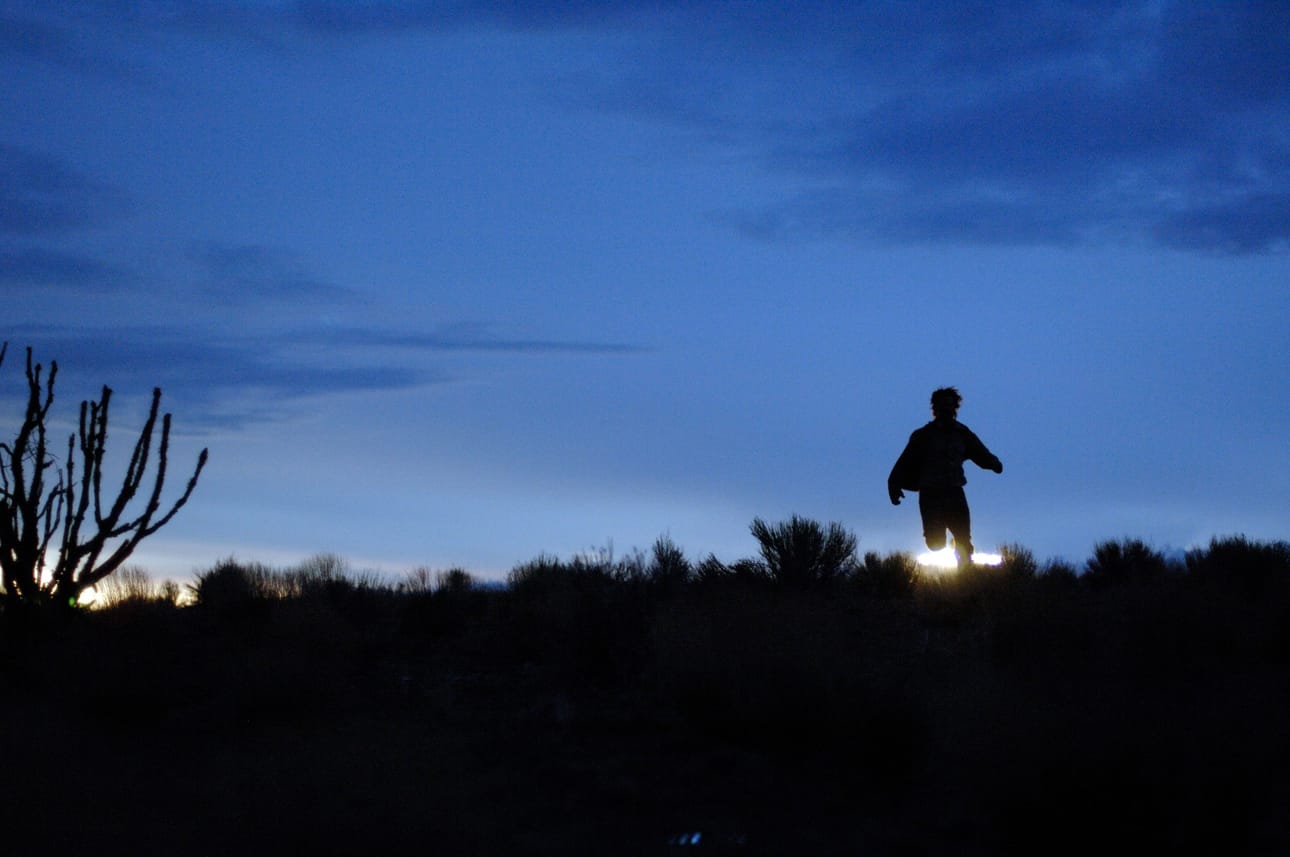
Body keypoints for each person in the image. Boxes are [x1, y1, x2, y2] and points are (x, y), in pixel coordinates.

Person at [888, 387, 1002, 568]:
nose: (946, 409)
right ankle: (943, 542)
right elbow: (904, 461)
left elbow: (980, 453)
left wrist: (994, 464)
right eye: (942, 405)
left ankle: (964, 583)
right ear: (935, 408)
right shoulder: (923, 436)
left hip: (955, 492)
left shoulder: (962, 433)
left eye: (950, 405)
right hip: (930, 495)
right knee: (935, 544)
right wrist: (893, 485)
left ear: (955, 407)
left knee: (964, 540)